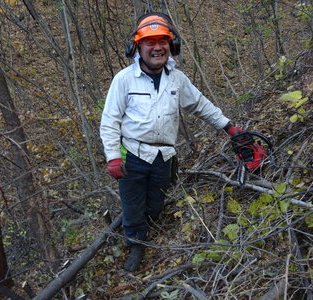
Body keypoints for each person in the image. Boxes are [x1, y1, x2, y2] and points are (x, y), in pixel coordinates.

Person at [100, 12, 251, 272]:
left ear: (171, 45)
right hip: (132, 153)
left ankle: (151, 226)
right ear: (138, 46)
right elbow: (110, 120)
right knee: (133, 204)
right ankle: (136, 244)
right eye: (150, 42)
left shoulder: (177, 79)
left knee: (157, 202)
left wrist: (229, 127)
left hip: (165, 156)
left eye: (162, 41)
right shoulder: (124, 79)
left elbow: (201, 105)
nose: (157, 47)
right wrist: (113, 156)